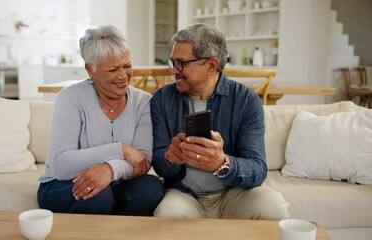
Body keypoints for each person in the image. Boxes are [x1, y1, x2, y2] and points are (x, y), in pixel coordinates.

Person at [151, 23, 289, 219]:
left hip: (234, 192)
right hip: (184, 193)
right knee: (168, 215)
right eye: (172, 62)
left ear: (211, 65)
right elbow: (159, 164)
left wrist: (222, 163)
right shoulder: (161, 99)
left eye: (181, 63)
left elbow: (258, 170)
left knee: (273, 208)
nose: (174, 71)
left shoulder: (246, 100)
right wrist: (170, 158)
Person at [37, 25, 164, 216]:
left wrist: (110, 170)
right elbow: (60, 164)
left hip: (116, 181)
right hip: (62, 183)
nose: (123, 76)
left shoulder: (143, 102)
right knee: (97, 193)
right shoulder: (71, 98)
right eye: (113, 70)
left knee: (151, 189)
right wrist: (119, 149)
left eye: (127, 66)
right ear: (90, 69)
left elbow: (143, 161)